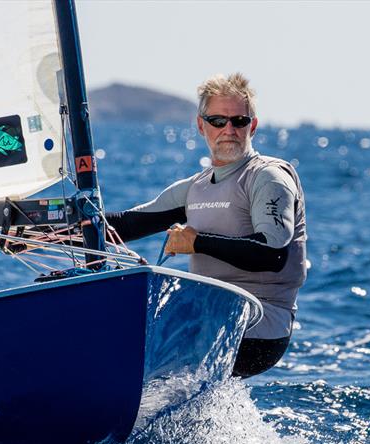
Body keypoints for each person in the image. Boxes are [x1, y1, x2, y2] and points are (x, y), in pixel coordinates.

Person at [106, 73, 306, 378]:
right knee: (115, 314)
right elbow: (124, 225)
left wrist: (197, 242)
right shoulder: (195, 188)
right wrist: (26, 234)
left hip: (260, 326)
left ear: (252, 126)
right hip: (208, 316)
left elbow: (271, 254)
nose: (229, 130)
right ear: (201, 126)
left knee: (137, 333)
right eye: (217, 120)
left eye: (238, 121)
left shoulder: (268, 178)